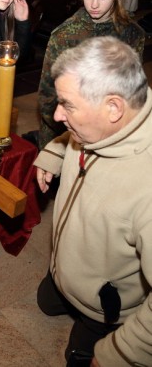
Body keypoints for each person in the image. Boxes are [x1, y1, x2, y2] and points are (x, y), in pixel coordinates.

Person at [34, 36, 152, 366]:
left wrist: (121, 353)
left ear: (113, 108)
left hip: (104, 306)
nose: (57, 115)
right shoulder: (107, 122)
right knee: (45, 301)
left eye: (68, 105)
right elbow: (78, 138)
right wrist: (55, 152)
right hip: (66, 267)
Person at [36, 0, 145, 150]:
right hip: (64, 134)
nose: (94, 5)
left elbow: (132, 93)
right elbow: (47, 96)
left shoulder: (132, 35)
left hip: (111, 133)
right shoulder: (65, 35)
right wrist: (77, 131)